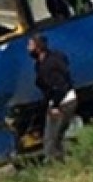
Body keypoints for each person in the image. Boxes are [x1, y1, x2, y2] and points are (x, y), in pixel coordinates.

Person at [28, 33, 80, 163]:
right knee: (52, 138)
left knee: (53, 139)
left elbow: (61, 87)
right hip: (56, 102)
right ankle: (63, 161)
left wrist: (55, 105)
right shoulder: (39, 64)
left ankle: (61, 162)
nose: (28, 48)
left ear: (38, 47)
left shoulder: (51, 63)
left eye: (30, 45)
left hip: (64, 101)